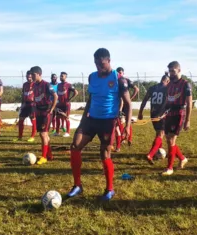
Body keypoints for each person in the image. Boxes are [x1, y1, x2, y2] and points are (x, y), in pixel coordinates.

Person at [66, 48, 132, 201]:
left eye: (101, 64)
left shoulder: (119, 80)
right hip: (91, 119)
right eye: (96, 64)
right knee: (75, 146)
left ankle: (109, 189)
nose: (98, 67)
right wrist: (83, 120)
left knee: (104, 153)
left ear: (109, 61)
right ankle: (77, 185)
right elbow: (90, 100)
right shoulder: (92, 77)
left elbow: (128, 104)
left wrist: (127, 126)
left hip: (108, 121)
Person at [161, 61, 192, 176]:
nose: (171, 74)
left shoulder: (185, 84)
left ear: (179, 70)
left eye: (173, 71)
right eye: (170, 71)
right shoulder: (169, 85)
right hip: (169, 114)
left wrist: (187, 120)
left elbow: (189, 104)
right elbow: (167, 101)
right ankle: (182, 158)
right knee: (169, 140)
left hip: (179, 114)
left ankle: (170, 168)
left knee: (171, 140)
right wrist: (164, 112)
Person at [138, 72, 170, 164]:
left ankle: (157, 152)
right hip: (161, 115)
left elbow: (144, 100)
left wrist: (140, 112)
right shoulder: (167, 88)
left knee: (159, 134)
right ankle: (150, 155)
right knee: (161, 134)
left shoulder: (152, 88)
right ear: (167, 81)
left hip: (153, 114)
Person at [31, 66, 57, 165]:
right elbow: (35, 98)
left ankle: (44, 157)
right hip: (38, 111)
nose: (32, 76)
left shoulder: (46, 85)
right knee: (43, 134)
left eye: (33, 75)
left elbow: (55, 96)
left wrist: (52, 109)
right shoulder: (34, 85)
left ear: (39, 74)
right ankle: (49, 155)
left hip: (46, 111)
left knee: (43, 134)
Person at [116, 67, 140, 145]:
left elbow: (136, 89)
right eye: (118, 72)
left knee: (125, 121)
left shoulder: (125, 79)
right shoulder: (117, 80)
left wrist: (130, 99)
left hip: (124, 103)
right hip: (120, 102)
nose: (119, 74)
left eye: (121, 72)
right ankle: (124, 138)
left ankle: (127, 138)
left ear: (123, 72)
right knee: (121, 121)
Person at [14, 71, 36, 142]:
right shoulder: (25, 85)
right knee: (21, 120)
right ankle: (19, 137)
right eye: (27, 77)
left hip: (32, 105)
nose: (28, 78)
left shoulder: (35, 84)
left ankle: (32, 136)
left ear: (32, 77)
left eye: (30, 77)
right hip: (25, 104)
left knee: (33, 120)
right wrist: (22, 104)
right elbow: (23, 95)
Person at [56, 71, 79, 137]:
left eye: (62, 76)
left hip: (66, 104)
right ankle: (57, 132)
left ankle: (67, 132)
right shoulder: (59, 85)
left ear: (65, 77)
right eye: (60, 76)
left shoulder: (69, 85)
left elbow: (76, 92)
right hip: (59, 104)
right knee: (58, 117)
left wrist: (70, 98)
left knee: (66, 118)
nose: (60, 77)